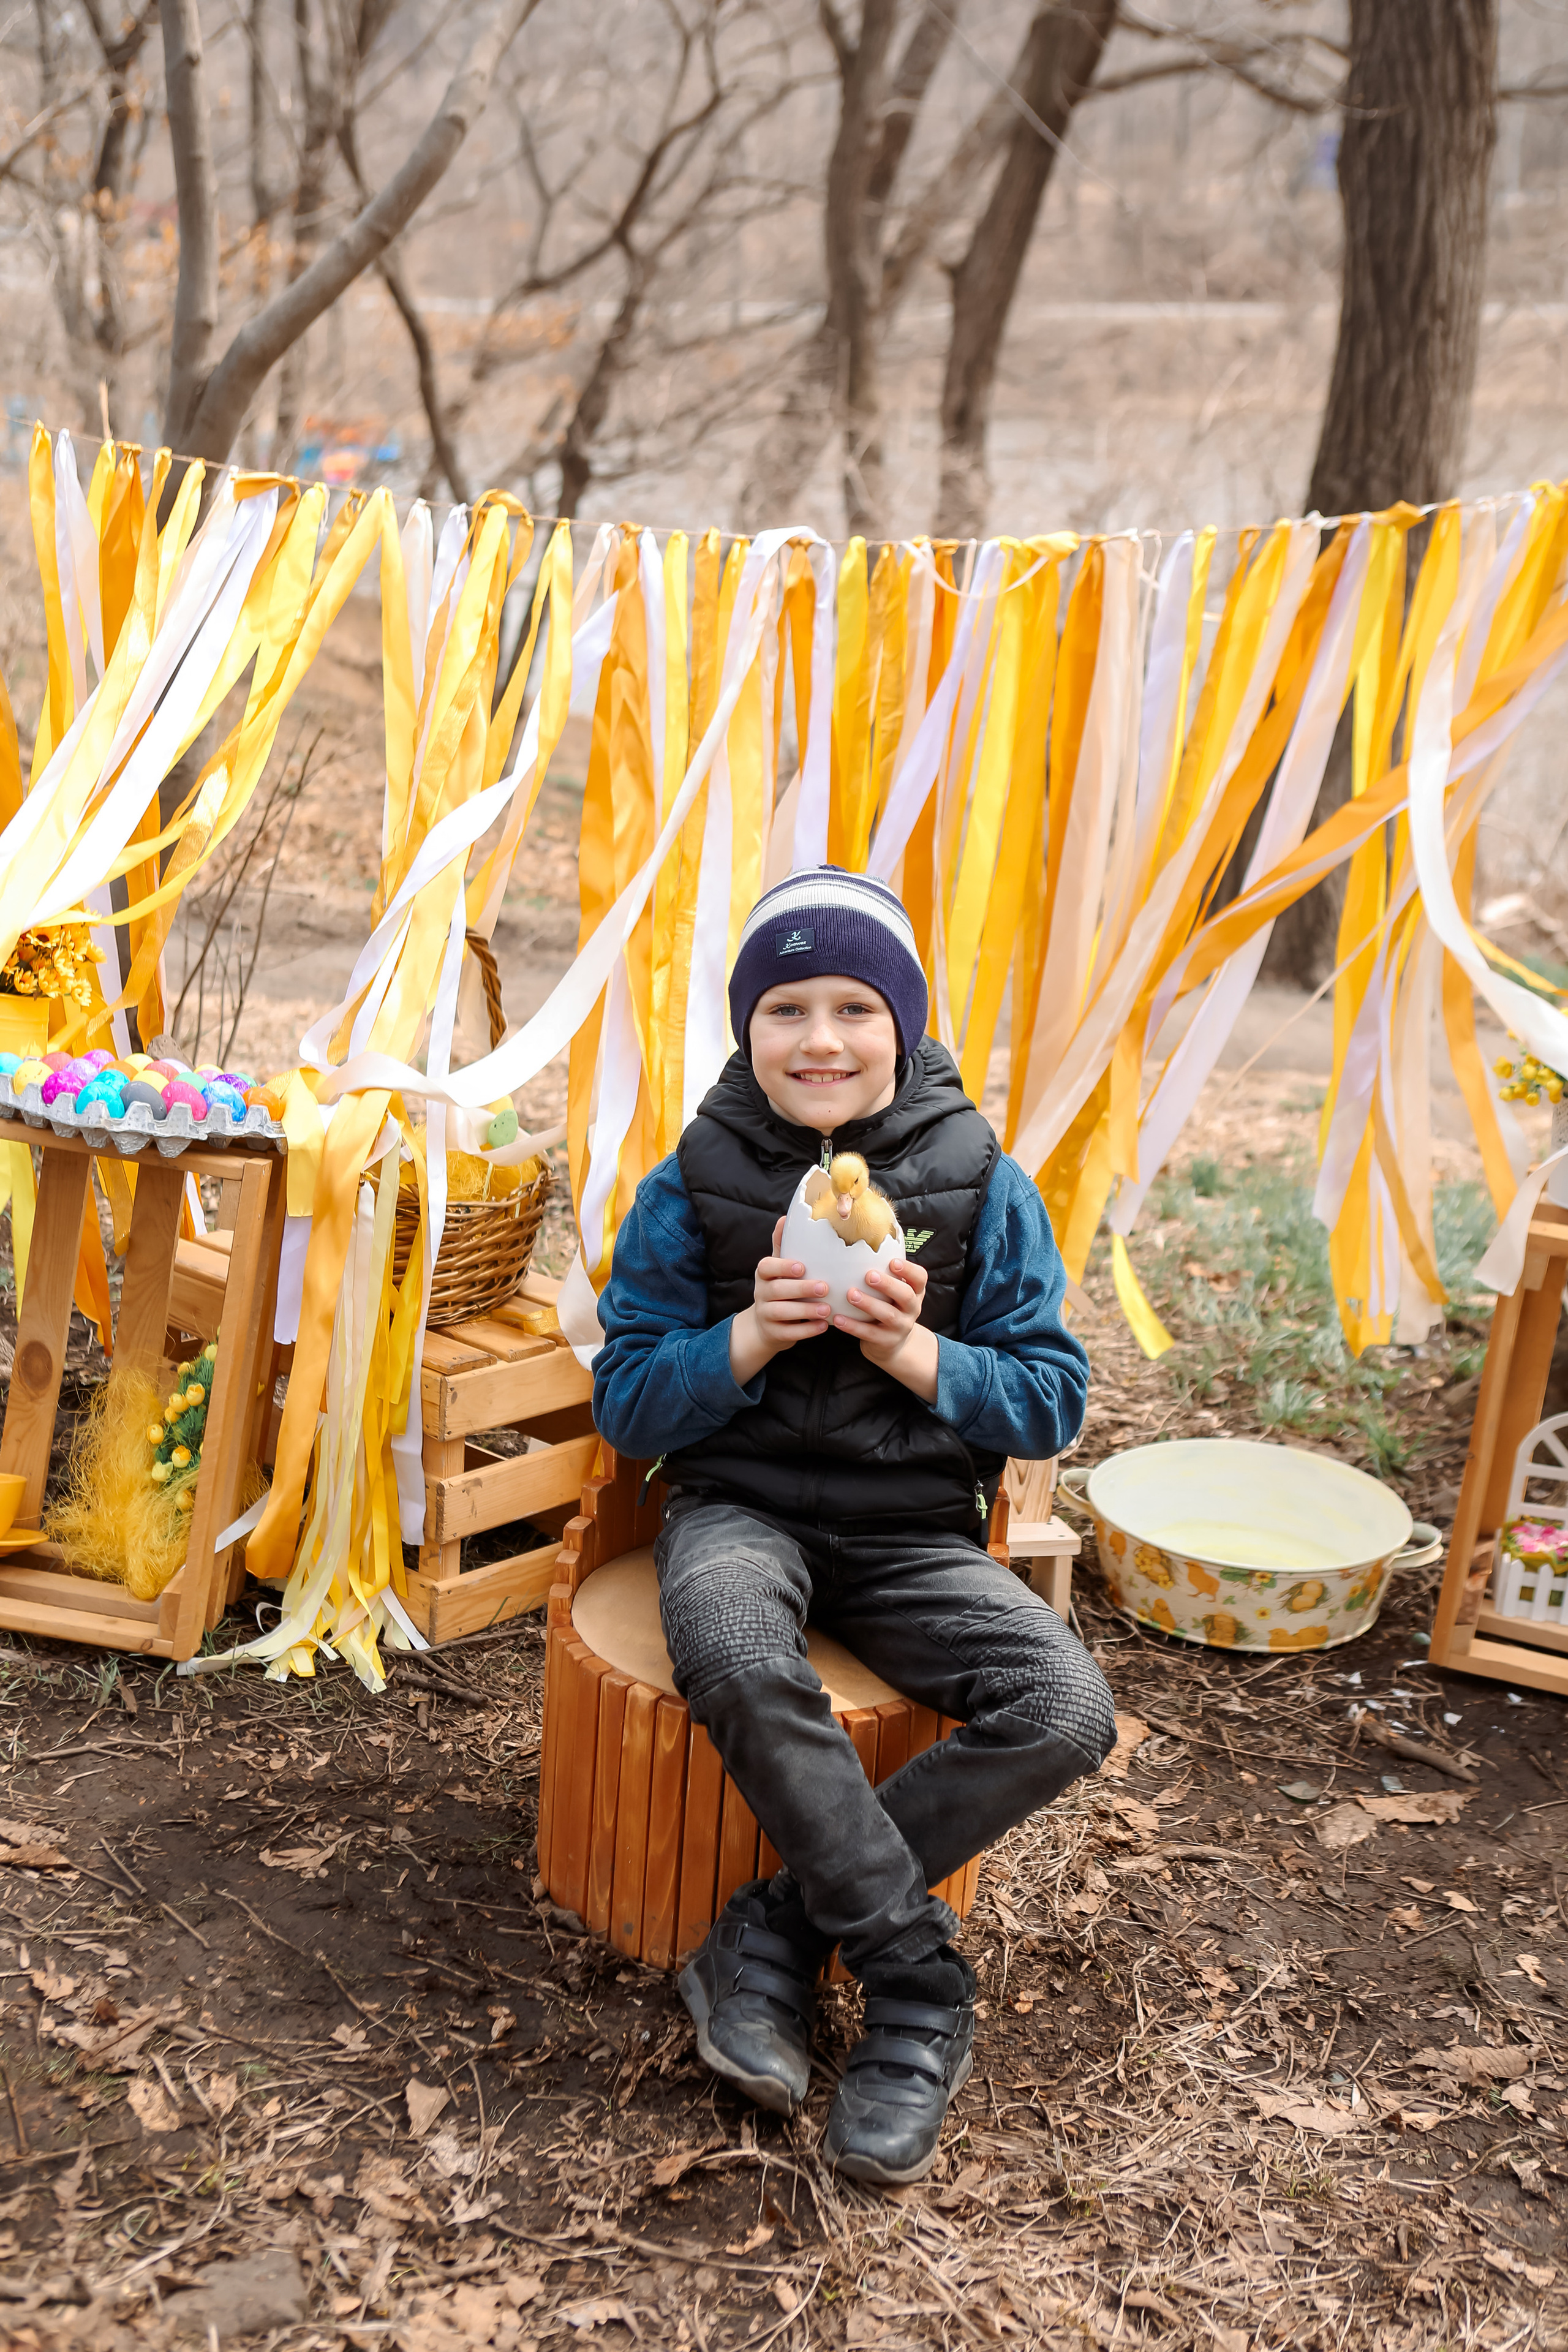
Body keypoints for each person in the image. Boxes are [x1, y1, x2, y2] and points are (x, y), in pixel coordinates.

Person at [592, 867, 1115, 2185]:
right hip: (742, 1509)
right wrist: (750, 1333)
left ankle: (772, 1930)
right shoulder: (692, 1180)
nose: (818, 1039)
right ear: (743, 1027)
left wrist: (915, 1353)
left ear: (902, 1023)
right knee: (726, 1634)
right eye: (783, 1008)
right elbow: (628, 1403)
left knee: (1062, 1706)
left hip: (907, 1540)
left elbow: (1050, 1399)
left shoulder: (981, 1181)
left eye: (850, 1008)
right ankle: (914, 1982)